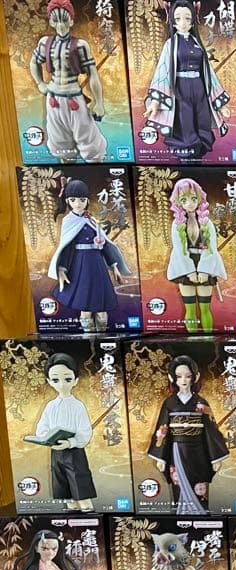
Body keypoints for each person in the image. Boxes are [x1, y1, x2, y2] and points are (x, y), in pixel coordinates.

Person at [144, 0, 231, 160]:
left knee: (202, 117)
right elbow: (162, 72)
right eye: (178, 19)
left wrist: (221, 105)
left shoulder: (197, 43)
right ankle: (186, 152)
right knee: (184, 120)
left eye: (187, 18)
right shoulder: (170, 44)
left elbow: (209, 73)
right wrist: (155, 102)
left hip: (199, 87)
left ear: (193, 20)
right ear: (172, 20)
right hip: (180, 89)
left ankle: (200, 150)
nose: (183, 23)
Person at [147, 355, 230, 514]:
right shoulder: (169, 403)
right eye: (179, 376)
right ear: (172, 378)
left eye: (188, 376)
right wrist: (160, 457)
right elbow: (162, 429)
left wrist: (215, 457)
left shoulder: (201, 403)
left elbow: (211, 430)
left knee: (199, 483)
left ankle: (201, 515)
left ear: (195, 377)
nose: (184, 380)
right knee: (178, 481)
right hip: (177, 449)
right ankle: (180, 515)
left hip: (199, 451)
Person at [48, 177, 131, 332]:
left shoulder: (91, 219)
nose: (77, 204)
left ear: (87, 200)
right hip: (80, 264)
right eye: (73, 200)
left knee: (101, 305)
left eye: (81, 200)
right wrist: (62, 269)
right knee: (85, 303)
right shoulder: (68, 221)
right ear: (67, 201)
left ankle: (103, 333)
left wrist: (114, 266)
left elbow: (105, 244)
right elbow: (66, 247)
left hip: (97, 263)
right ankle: (88, 335)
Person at [30, 0, 107, 163]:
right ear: (51, 22)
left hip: (74, 99)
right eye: (56, 20)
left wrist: (99, 103)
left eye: (64, 20)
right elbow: (34, 62)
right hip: (53, 99)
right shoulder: (45, 43)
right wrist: (40, 83)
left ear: (71, 21)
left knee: (88, 140)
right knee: (61, 144)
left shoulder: (80, 45)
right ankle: (68, 170)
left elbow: (93, 74)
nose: (61, 25)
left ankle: (98, 171)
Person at [28, 352, 96, 511]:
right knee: (63, 488)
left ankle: (89, 515)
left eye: (67, 379)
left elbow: (85, 431)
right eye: (55, 380)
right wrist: (45, 438)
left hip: (74, 451)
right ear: (49, 381)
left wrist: (71, 442)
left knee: (80, 485)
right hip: (56, 452)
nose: (62, 384)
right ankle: (72, 514)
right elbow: (42, 427)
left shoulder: (78, 406)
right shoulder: (50, 406)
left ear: (76, 380)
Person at [168, 177, 227, 332]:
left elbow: (211, 248)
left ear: (199, 199)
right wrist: (189, 271)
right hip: (184, 267)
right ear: (178, 202)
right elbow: (179, 250)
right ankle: (192, 340)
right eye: (184, 200)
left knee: (205, 308)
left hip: (203, 263)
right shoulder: (177, 224)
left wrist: (204, 270)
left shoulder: (206, 222)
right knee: (190, 309)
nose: (190, 203)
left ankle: (208, 339)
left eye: (194, 199)